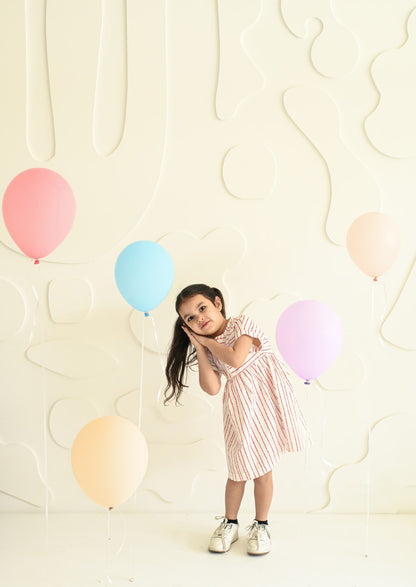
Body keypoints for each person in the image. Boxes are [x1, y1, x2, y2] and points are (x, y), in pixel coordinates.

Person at [164, 284, 310, 556]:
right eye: (190, 318)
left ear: (217, 303)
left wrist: (207, 342)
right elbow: (211, 387)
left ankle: (261, 524)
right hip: (240, 408)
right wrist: (200, 347)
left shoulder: (243, 323)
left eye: (202, 308)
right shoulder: (207, 347)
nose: (199, 318)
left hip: (266, 402)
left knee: (263, 470)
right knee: (238, 470)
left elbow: (236, 358)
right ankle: (230, 523)